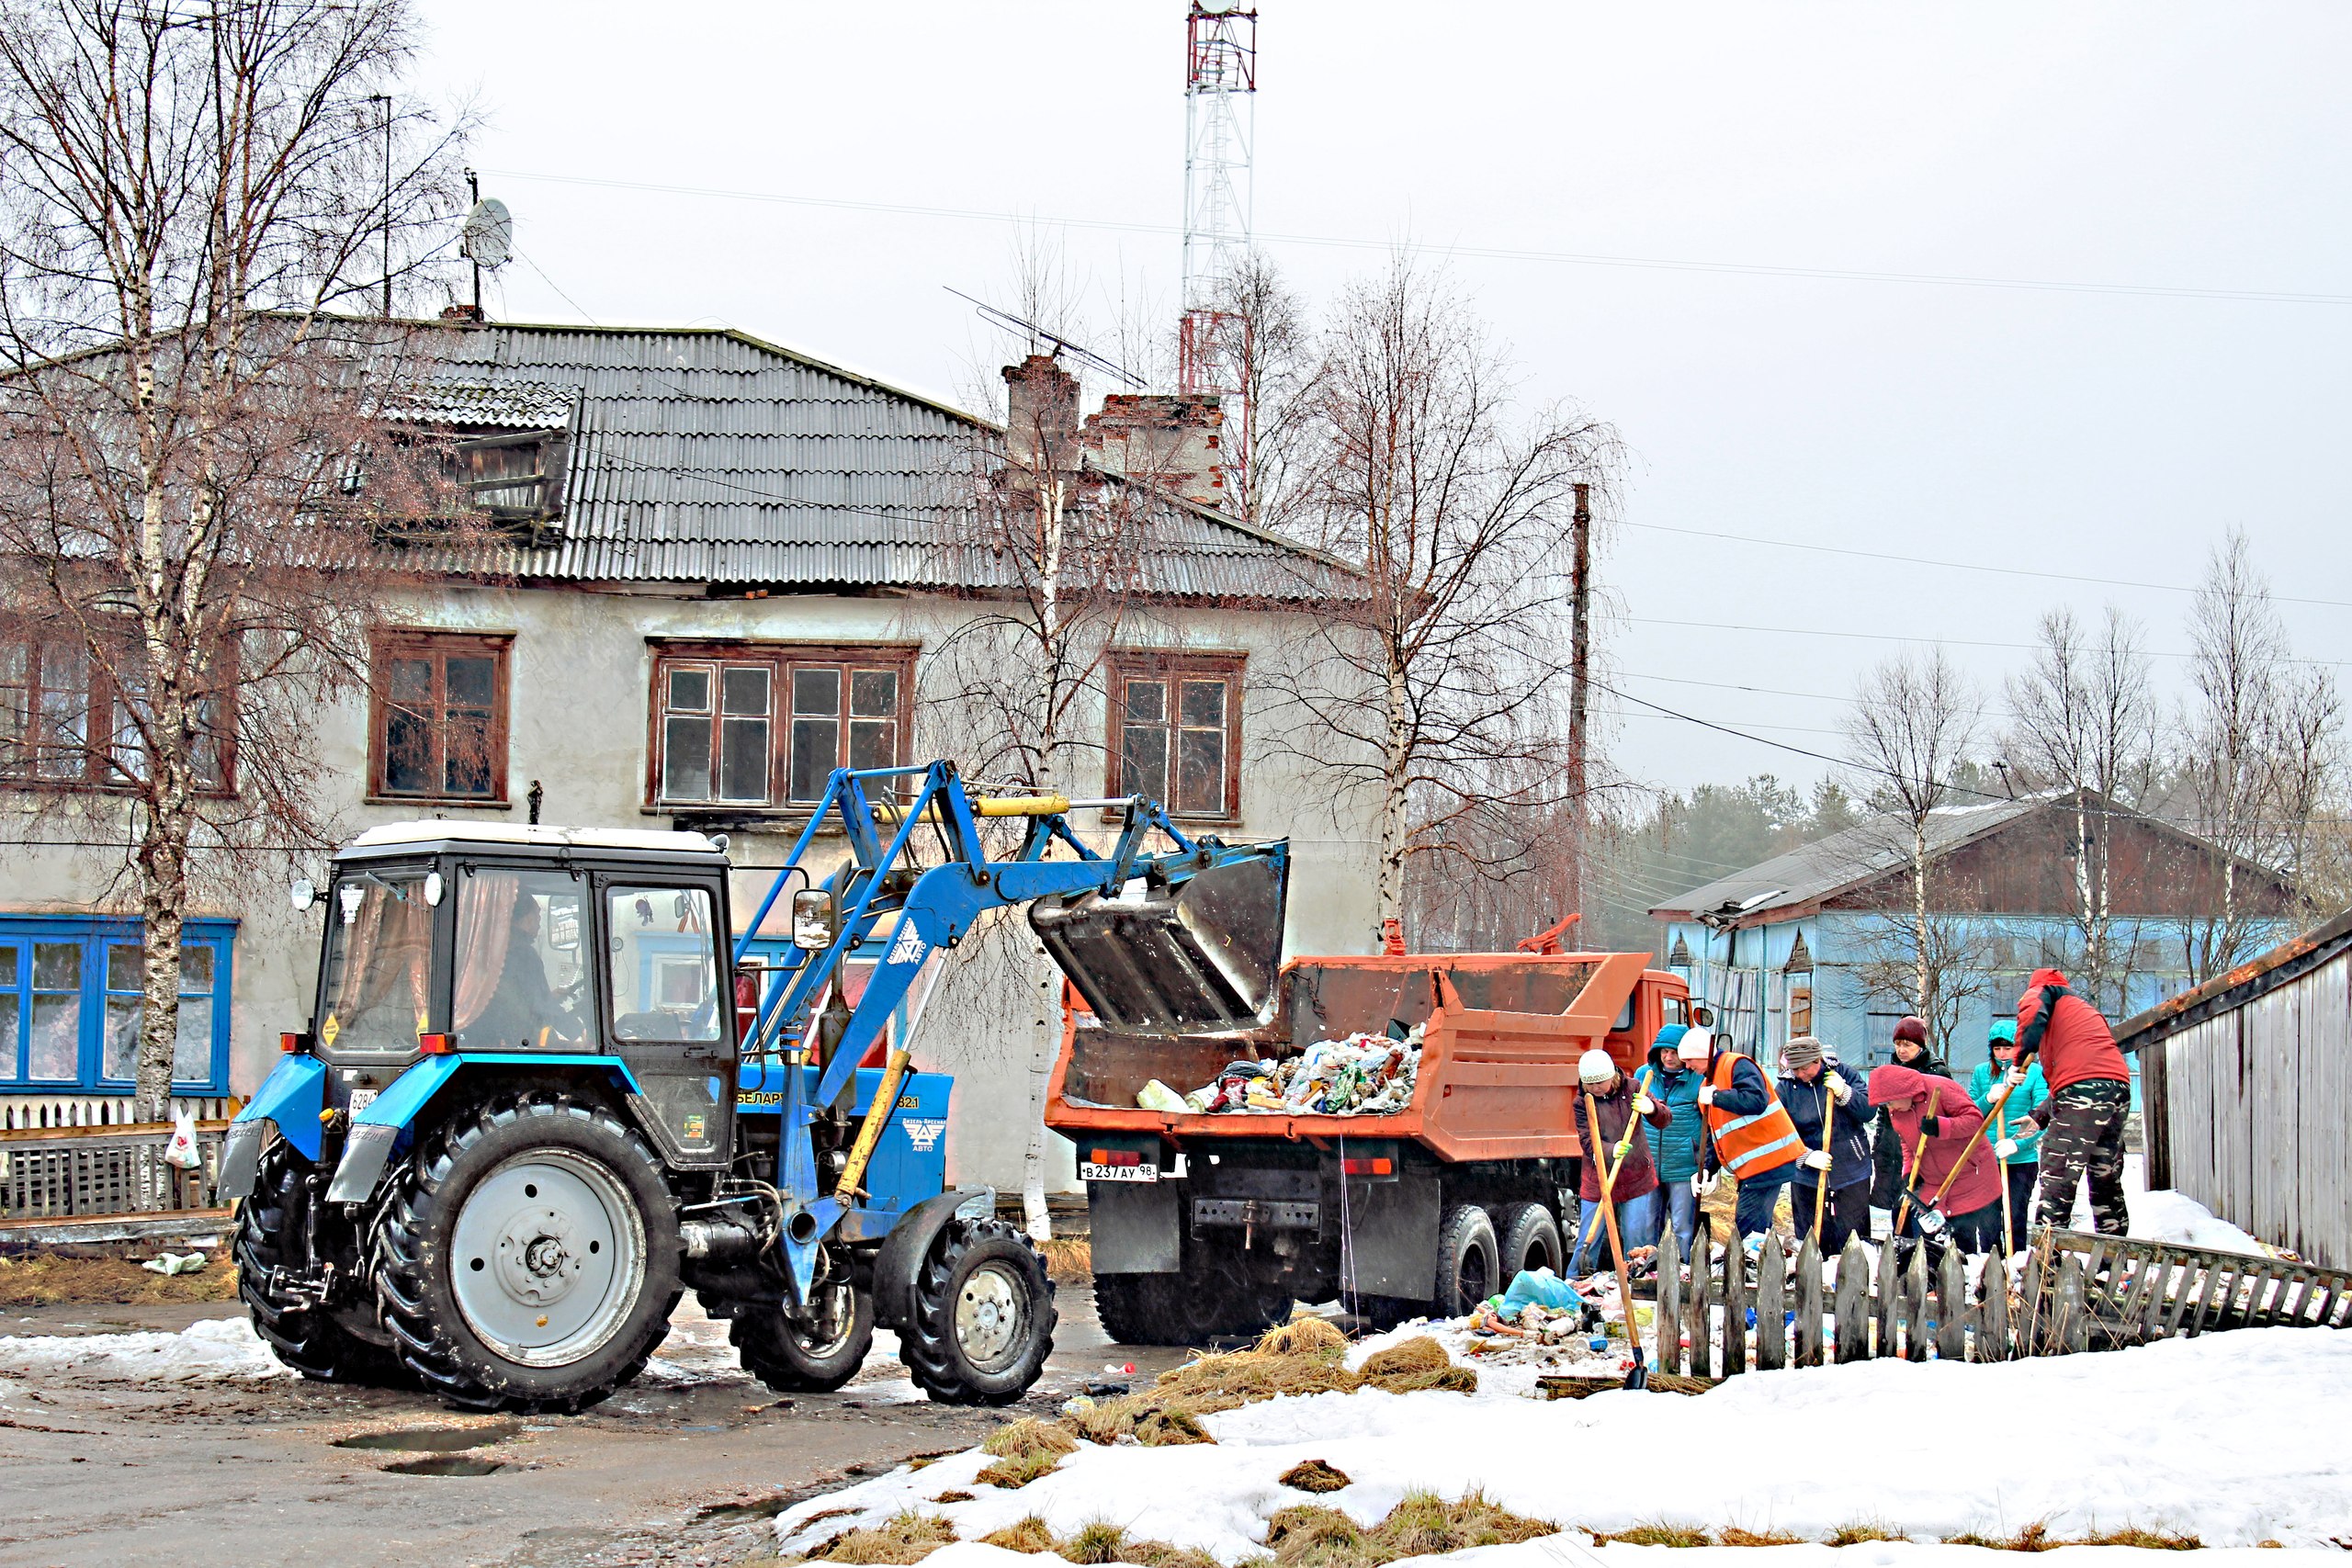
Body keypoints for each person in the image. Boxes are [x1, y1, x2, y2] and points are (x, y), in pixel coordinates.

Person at [2008, 967, 2133, 1236]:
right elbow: (2086, 1075)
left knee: (2059, 1172)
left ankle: (2046, 1265)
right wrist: (2039, 1115)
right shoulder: (2083, 1011)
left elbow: (2031, 1018)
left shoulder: (2042, 992)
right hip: (2118, 1090)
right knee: (2104, 1174)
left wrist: (2018, 1061)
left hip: (2084, 1090)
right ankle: (2112, 1261)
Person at [1683, 1029, 1807, 1253]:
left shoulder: (1736, 1065)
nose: (1688, 1067)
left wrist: (1718, 1097)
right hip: (1754, 1166)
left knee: (1748, 1229)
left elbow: (1756, 1100)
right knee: (1756, 1228)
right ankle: (1760, 1269)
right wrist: (1708, 1169)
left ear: (1703, 1054)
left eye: (1689, 1060)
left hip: (1768, 1161)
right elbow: (1715, 1136)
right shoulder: (1706, 1088)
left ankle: (1749, 1275)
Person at [1867, 1059, 2003, 1254]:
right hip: (1934, 1180)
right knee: (1928, 1238)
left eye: (1890, 1102)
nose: (1891, 1108)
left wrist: (1942, 1126)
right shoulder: (1897, 1111)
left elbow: (1974, 1120)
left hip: (1969, 1173)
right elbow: (1906, 1143)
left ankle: (1972, 1277)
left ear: (1903, 1093)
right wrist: (1910, 1171)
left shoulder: (1941, 1088)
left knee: (1967, 1237)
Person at [1569, 1048, 1671, 1276]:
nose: (1595, 1089)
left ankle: (1631, 1284)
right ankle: (1576, 1284)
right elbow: (1587, 1140)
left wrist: (1652, 1108)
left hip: (1635, 1177)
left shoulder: (1634, 1088)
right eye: (1590, 1085)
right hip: (1599, 1178)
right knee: (1589, 1237)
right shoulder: (1582, 1102)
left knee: (1634, 1237)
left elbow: (1665, 1118)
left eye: (1600, 1083)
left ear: (1612, 1075)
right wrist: (1609, 1149)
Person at [1776, 1035, 1874, 1255]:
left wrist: (1845, 1093)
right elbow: (1779, 1132)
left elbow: (1868, 1111)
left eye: (1803, 1068)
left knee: (1852, 1237)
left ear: (1816, 1060)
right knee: (1812, 1238)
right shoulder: (1785, 1088)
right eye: (1794, 1069)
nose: (1799, 1074)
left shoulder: (1844, 1074)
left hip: (1851, 1171)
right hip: (1806, 1177)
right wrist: (1804, 1155)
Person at [1968, 1019, 2049, 1252]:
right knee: (1988, 1221)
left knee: (2014, 1218)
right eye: (1997, 1048)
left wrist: (2018, 1144)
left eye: (2008, 1048)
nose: (2002, 1054)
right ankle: (1990, 1270)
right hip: (1986, 1160)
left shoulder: (2033, 1072)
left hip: (2020, 1162)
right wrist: (1988, 1099)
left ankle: (2016, 1266)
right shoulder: (1982, 1073)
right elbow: (1970, 1114)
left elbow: (2041, 1116)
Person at [1870, 1015, 1948, 1211]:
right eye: (1897, 1044)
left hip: (1923, 1151)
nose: (1901, 1050)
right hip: (1893, 1150)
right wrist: (1880, 1145)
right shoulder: (1891, 1071)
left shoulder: (1935, 1072)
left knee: (1919, 1208)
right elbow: (1883, 1113)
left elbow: (1946, 1114)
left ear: (1920, 1045)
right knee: (1895, 1208)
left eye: (1907, 1045)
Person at [1645, 1024, 1708, 1258]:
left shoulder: (1698, 1080)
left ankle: (1682, 1270)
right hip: (1650, 1163)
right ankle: (1647, 1270)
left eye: (1674, 1052)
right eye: (1664, 1052)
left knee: (1683, 1225)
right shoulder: (1645, 1076)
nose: (1669, 1057)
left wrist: (1703, 1160)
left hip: (1684, 1165)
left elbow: (1708, 1121)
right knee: (1648, 1224)